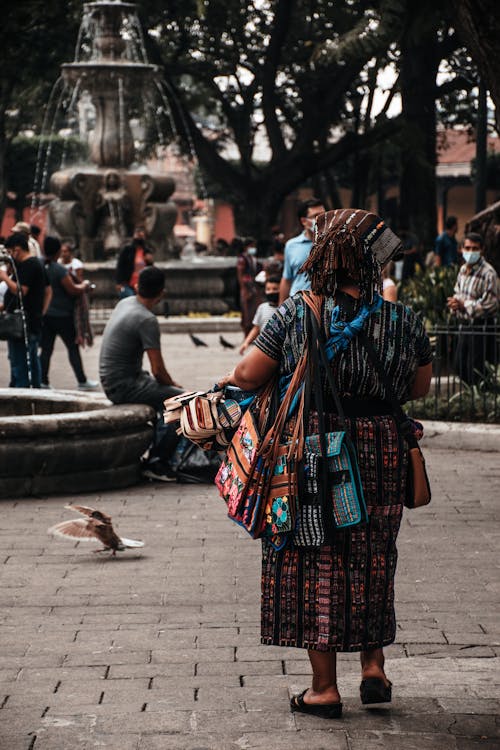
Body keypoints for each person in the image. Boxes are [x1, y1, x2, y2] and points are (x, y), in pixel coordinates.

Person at [218, 208, 432, 718]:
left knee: (316, 558)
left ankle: (323, 689)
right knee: (374, 554)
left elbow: (245, 374)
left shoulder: (299, 312)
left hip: (318, 447)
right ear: (373, 265)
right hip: (381, 447)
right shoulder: (404, 319)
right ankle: (373, 667)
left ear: (325, 259)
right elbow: (418, 387)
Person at [99, 265, 183, 482]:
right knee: (182, 403)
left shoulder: (126, 303)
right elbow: (158, 371)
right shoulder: (146, 319)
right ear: (161, 293)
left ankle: (157, 453)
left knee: (167, 396)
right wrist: (176, 387)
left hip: (112, 380)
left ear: (137, 286)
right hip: (124, 385)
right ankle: (157, 463)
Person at [40, 236, 98, 391]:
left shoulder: (40, 265)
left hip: (46, 314)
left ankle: (42, 381)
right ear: (58, 251)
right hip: (63, 315)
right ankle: (82, 380)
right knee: (73, 348)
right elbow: (73, 289)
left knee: (46, 349)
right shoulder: (59, 270)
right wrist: (84, 285)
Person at [447, 232, 499, 384]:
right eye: (467, 248)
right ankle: (472, 398)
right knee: (459, 365)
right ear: (462, 249)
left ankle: (480, 400)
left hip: (481, 327)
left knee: (476, 370)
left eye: (474, 248)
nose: (470, 252)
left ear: (482, 250)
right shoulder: (463, 270)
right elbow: (458, 292)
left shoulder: (488, 273)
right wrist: (455, 304)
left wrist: (465, 306)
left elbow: (491, 305)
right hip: (464, 325)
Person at [0, 233, 51, 387]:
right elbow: (48, 290)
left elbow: (21, 291)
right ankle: (34, 392)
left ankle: (23, 395)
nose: (10, 256)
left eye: (10, 252)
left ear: (17, 250)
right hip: (30, 321)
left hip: (23, 325)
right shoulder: (34, 264)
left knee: (21, 364)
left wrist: (4, 277)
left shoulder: (29, 265)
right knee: (31, 362)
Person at [279, 198, 325, 303]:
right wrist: (281, 309)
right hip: (298, 303)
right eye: (315, 216)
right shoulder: (291, 245)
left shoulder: (334, 243)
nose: (321, 219)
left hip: (324, 305)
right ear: (304, 221)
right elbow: (286, 279)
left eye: (323, 215)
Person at [239, 276, 281, 354]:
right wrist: (246, 343)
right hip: (264, 347)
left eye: (275, 289)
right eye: (268, 289)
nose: (271, 292)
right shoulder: (262, 308)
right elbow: (256, 328)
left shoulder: (285, 308)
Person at [115, 226, 154, 299]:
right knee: (130, 299)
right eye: (137, 235)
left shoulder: (147, 251)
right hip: (128, 283)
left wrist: (150, 261)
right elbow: (120, 266)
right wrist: (119, 282)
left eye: (141, 235)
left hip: (142, 284)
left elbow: (151, 269)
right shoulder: (127, 250)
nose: (139, 237)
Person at [236, 237, 262, 336]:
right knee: (247, 313)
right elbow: (240, 274)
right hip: (247, 287)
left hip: (254, 286)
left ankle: (253, 335)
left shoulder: (253, 258)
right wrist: (243, 288)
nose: (254, 248)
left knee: (254, 312)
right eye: (252, 246)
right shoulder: (242, 259)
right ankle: (247, 334)